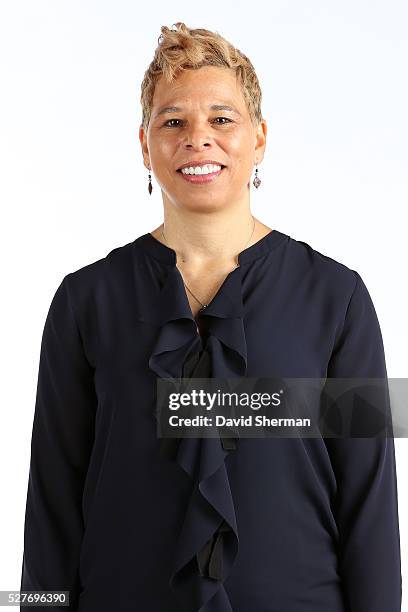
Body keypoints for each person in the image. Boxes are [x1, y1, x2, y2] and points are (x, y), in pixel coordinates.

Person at [20, 21, 401, 612]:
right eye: (174, 121)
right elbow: (51, 507)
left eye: (222, 119)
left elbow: (369, 508)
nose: (200, 138)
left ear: (259, 139)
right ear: (145, 145)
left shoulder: (337, 297)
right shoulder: (85, 301)